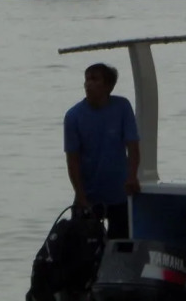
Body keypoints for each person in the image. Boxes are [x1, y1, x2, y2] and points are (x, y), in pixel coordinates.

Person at [64, 62, 141, 239]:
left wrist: (132, 176)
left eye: (94, 79)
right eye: (86, 80)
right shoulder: (73, 116)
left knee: (120, 245)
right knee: (82, 247)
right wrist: (80, 195)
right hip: (88, 195)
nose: (88, 84)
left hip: (119, 194)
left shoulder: (122, 107)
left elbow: (133, 146)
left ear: (108, 86)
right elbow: (72, 159)